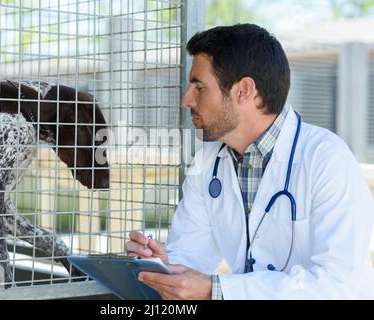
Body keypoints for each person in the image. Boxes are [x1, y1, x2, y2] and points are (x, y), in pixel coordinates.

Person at [125, 23, 374, 299]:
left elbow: (339, 285)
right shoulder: (208, 160)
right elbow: (192, 255)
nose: (187, 100)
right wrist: (166, 267)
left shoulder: (327, 160)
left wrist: (218, 290)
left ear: (244, 90)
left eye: (199, 87)